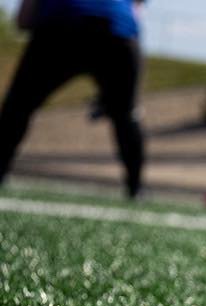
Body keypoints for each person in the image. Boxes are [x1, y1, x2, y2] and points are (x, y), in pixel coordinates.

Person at [0, 0, 145, 198]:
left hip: (62, 26)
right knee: (126, 116)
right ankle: (135, 189)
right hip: (119, 36)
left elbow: (23, 20)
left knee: (17, 108)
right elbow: (134, 15)